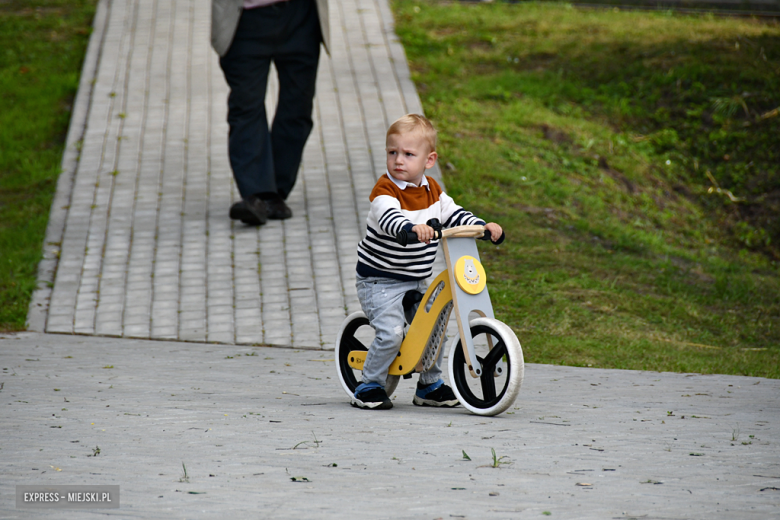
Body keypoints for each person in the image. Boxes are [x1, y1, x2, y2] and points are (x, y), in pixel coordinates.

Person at [352, 114, 504, 410]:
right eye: (392, 152)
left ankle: (429, 385)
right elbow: (389, 218)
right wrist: (409, 229)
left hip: (416, 278)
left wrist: (483, 226)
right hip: (380, 281)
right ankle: (369, 383)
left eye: (409, 154)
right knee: (392, 333)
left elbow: (455, 213)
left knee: (435, 326)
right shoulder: (385, 191)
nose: (399, 160)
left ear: (428, 159)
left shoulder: (433, 190)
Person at [211, 0, 330, 225]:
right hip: (244, 19)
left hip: (301, 16)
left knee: (298, 107)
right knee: (246, 106)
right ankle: (259, 194)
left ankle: (273, 192)